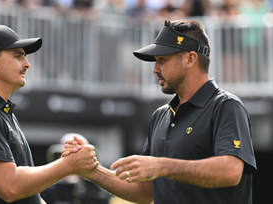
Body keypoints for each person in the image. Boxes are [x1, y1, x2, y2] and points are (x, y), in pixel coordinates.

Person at [64, 19, 257, 204]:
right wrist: (91, 170)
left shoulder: (226, 105)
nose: (155, 69)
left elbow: (231, 171)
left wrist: (161, 166)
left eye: (162, 60)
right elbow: (145, 192)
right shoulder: (160, 116)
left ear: (190, 59)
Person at [0, 25, 99, 204]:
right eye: (18, 56)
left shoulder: (0, 111)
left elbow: (29, 197)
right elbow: (10, 187)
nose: (27, 63)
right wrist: (68, 165)